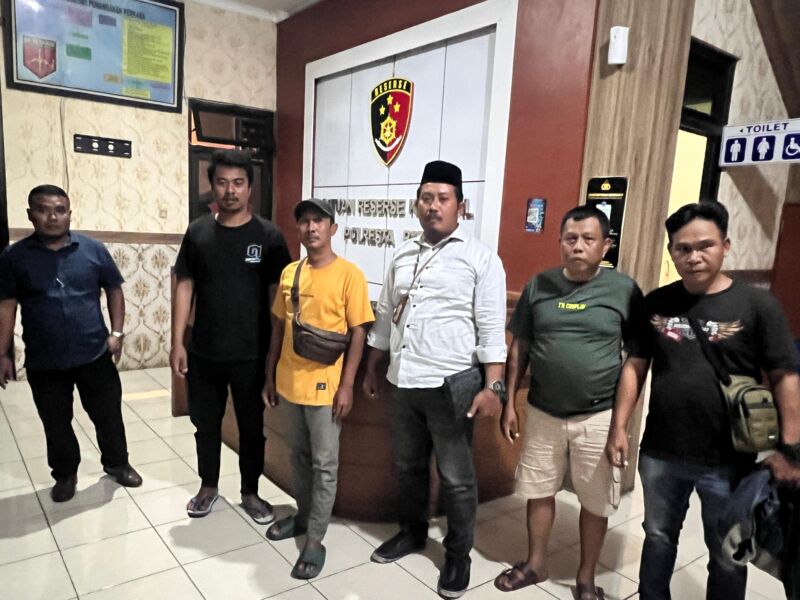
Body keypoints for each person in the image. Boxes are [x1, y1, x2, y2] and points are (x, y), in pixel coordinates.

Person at [605, 201, 800, 600]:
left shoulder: (757, 305)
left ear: (725, 245)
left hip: (729, 459)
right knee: (657, 536)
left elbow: (785, 377)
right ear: (671, 251)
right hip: (660, 451)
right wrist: (618, 428)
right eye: (683, 248)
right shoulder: (655, 302)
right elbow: (635, 365)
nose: (693, 256)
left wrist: (789, 449)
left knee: (726, 551)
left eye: (704, 245)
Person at [363, 160, 507, 599]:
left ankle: (458, 555)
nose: (434, 206)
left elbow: (492, 330)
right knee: (407, 466)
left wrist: (493, 387)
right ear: (416, 204)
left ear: (460, 205)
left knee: (456, 476)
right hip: (403, 380)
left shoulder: (481, 258)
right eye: (426, 198)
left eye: (443, 198)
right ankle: (412, 532)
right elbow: (385, 317)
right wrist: (373, 366)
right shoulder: (403, 254)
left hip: (451, 386)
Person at [493, 205, 643, 600]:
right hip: (543, 410)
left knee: (595, 501)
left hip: (599, 414)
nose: (578, 246)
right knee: (538, 489)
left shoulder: (623, 290)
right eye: (570, 238)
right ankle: (536, 563)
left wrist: (622, 426)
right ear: (560, 242)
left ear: (605, 245)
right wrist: (509, 403)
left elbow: (637, 359)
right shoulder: (538, 286)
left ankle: (586, 578)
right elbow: (520, 347)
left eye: (588, 239)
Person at [0, 184, 142, 502]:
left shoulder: (93, 250)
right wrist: (2, 353)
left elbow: (114, 289)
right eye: (43, 210)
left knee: (108, 415)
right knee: (55, 422)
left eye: (59, 210)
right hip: (44, 359)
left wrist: (117, 333)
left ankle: (117, 464)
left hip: (94, 352)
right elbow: (6, 305)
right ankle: (65, 474)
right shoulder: (14, 257)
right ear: (30, 215)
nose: (52, 217)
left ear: (69, 214)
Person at [171, 149, 291, 521]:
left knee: (252, 428)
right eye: (222, 182)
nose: (230, 190)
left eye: (238, 183)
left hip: (251, 354)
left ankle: (251, 493)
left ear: (250, 188)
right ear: (212, 186)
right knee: (205, 424)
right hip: (204, 350)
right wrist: (177, 342)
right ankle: (208, 487)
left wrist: (274, 356)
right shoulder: (198, 232)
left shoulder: (269, 236)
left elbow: (278, 299)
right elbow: (185, 285)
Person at [263, 198, 374, 579]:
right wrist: (269, 376)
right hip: (289, 383)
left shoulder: (349, 275)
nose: (311, 228)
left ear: (333, 229)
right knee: (297, 456)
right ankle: (304, 516)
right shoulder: (290, 273)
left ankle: (315, 539)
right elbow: (279, 328)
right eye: (305, 221)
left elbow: (359, 332)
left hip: (327, 388)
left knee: (324, 465)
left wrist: (347, 386)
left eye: (319, 221)